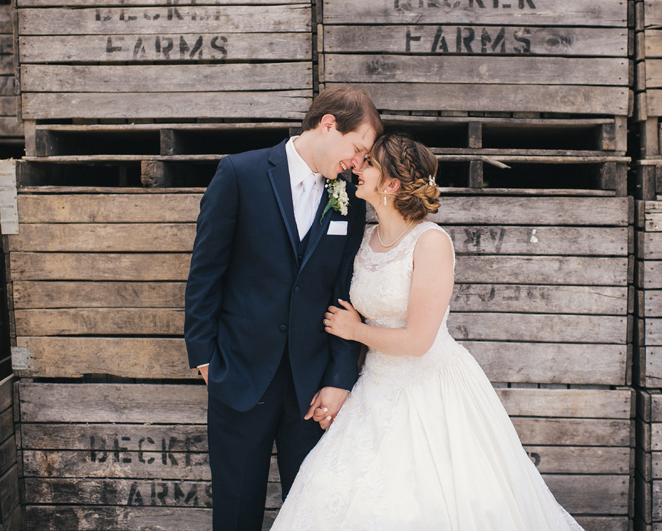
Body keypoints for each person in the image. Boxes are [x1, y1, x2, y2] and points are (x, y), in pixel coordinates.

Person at [271, 134, 583, 530]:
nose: (357, 168)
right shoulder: (368, 239)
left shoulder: (430, 243)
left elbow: (419, 341)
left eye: (367, 164)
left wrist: (354, 330)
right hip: (375, 387)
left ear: (391, 185)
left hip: (428, 388)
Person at [183, 86, 382, 531]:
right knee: (235, 511)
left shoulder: (346, 197)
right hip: (239, 374)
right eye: (357, 149)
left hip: (310, 389)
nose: (357, 163)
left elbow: (343, 290)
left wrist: (338, 379)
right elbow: (205, 272)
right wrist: (205, 358)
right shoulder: (240, 173)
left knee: (309, 515)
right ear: (328, 125)